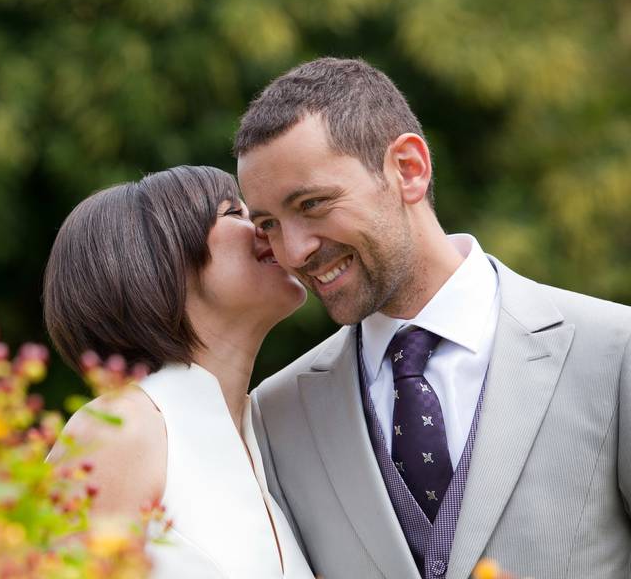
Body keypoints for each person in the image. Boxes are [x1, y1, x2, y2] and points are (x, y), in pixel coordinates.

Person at [235, 57, 631, 579]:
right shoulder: (276, 412)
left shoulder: (615, 351)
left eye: (312, 204)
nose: (294, 251)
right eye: (268, 225)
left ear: (409, 169)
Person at [43, 166, 315, 578]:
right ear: (156, 258)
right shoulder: (120, 428)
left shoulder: (264, 440)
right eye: (234, 213)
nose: (264, 227)